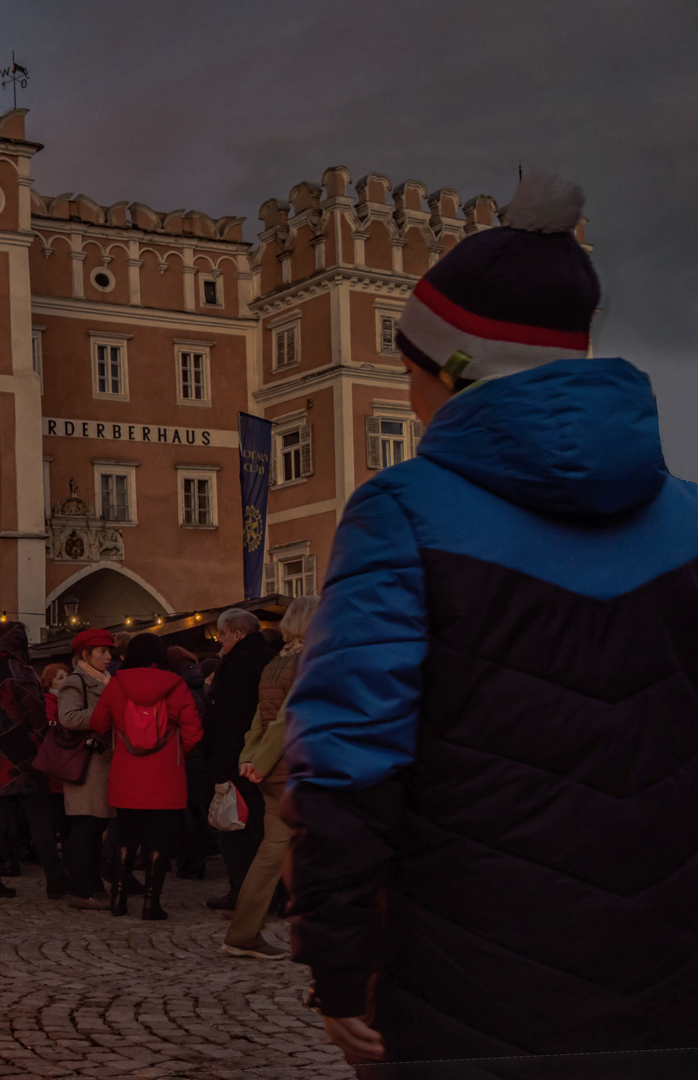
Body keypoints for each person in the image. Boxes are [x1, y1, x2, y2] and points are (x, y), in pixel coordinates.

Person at [284, 172, 698, 1070]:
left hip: (462, 985)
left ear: (455, 373)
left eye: (411, 372)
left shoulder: (401, 513)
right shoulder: (690, 520)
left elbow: (349, 762)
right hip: (674, 992)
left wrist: (339, 959)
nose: (408, 397)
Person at [221, 596, 316, 959]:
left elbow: (261, 719)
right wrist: (258, 759)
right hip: (297, 768)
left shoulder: (277, 662)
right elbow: (286, 719)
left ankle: (243, 933)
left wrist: (250, 758)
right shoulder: (309, 662)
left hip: (276, 770)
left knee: (270, 855)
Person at [87, 633, 202, 919]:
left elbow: (98, 723)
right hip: (165, 774)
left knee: (125, 836)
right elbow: (193, 731)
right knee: (158, 840)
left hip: (126, 772)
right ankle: (152, 903)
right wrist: (178, 752)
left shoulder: (116, 685)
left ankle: (118, 899)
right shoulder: (176, 685)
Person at [0, 620, 68, 901]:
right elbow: (36, 719)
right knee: (39, 818)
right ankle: (55, 878)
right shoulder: (23, 674)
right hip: (24, 757)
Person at [202, 607, 277, 910]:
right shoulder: (273, 660)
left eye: (222, 634)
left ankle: (243, 892)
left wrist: (218, 761)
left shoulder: (235, 665)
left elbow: (225, 718)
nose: (219, 641)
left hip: (238, 758)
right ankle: (271, 894)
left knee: (238, 828)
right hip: (269, 755)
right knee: (266, 829)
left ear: (237, 633)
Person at [56, 628, 116, 910]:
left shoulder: (106, 680)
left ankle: (93, 885)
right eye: (102, 651)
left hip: (103, 762)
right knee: (85, 824)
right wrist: (104, 715)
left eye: (108, 651)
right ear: (85, 654)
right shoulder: (76, 682)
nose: (108, 656)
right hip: (85, 763)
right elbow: (68, 717)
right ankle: (82, 888)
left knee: (96, 825)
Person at [168, 645, 213, 881]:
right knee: (197, 810)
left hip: (186, 756)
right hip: (203, 756)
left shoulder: (178, 688)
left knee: (186, 814)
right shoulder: (202, 685)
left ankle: (191, 862)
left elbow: (188, 725)